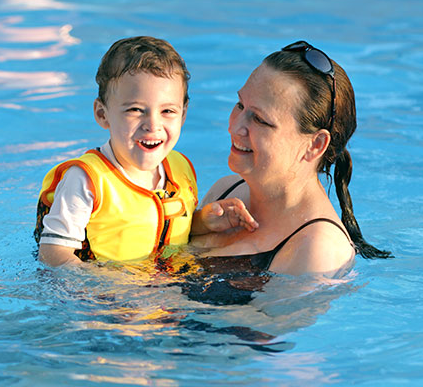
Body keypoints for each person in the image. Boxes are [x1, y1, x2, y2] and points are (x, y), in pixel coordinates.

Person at [34, 36, 257, 267]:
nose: (152, 125)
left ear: (183, 114)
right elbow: (53, 254)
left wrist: (204, 222)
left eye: (167, 111)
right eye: (135, 110)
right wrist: (101, 289)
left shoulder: (180, 169)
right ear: (102, 114)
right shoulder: (87, 181)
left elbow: (167, 230)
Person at [190, 40, 392, 278]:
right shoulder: (225, 192)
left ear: (315, 145)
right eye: (240, 105)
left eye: (260, 120)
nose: (235, 128)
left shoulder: (318, 249)